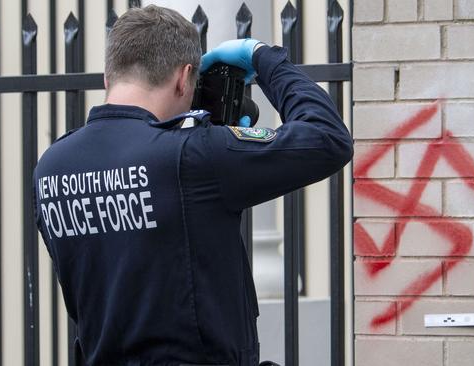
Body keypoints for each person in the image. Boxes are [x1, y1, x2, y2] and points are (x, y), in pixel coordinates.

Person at [33, 4, 352, 366]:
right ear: (185, 78)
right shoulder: (192, 156)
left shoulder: (51, 167)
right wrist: (264, 58)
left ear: (109, 77)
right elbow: (327, 137)